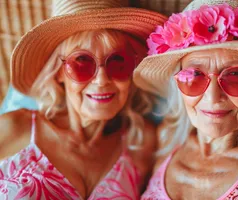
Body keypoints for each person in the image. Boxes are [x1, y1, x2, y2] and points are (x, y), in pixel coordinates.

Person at [133, 0, 238, 199]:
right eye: (194, 76)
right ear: (178, 87)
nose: (213, 96)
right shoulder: (164, 141)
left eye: (235, 75)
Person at [0, 0, 167, 199]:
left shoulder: (141, 144)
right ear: (58, 73)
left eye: (118, 62)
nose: (102, 80)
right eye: (82, 62)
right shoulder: (13, 127)